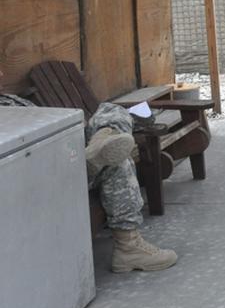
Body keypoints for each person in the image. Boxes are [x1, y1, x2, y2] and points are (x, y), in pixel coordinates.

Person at [0, 70, 177, 273]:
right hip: (41, 178)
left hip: (67, 156)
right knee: (116, 162)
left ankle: (100, 141)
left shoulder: (9, 100)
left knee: (111, 110)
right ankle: (128, 247)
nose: (3, 73)